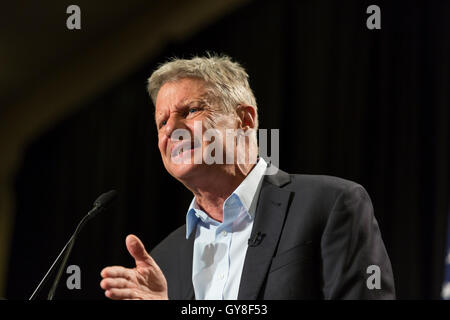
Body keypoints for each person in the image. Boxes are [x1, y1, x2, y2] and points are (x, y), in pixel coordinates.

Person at [99, 54, 395, 300]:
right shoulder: (162, 261)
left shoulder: (329, 204)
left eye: (190, 111)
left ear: (245, 119)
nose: (170, 130)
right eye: (162, 121)